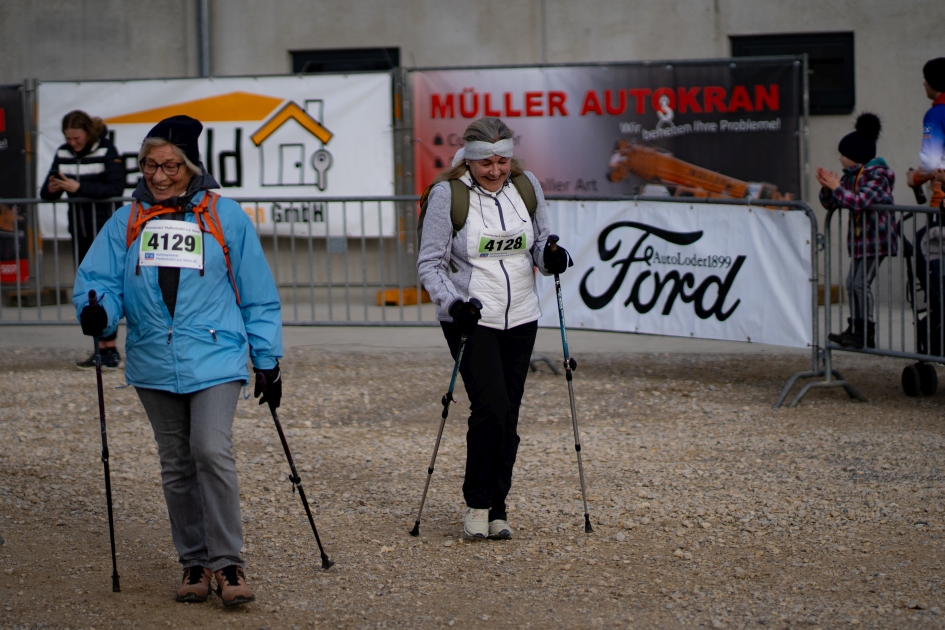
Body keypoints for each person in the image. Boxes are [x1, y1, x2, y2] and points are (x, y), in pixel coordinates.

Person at [73, 115, 283, 606]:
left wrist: (267, 358)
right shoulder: (126, 221)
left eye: (170, 165)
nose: (159, 175)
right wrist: (96, 311)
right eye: (150, 165)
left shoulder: (225, 215)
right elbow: (97, 279)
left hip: (215, 354)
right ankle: (194, 561)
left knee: (210, 450)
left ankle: (229, 563)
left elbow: (258, 295)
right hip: (151, 359)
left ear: (191, 166)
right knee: (176, 464)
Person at [417, 117, 572, 539]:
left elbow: (539, 243)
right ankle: (477, 504)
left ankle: (498, 507)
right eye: (486, 163)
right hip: (472, 317)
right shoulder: (447, 195)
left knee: (510, 414)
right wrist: (454, 303)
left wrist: (551, 255)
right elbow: (429, 264)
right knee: (491, 407)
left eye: (503, 161)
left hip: (522, 314)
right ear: (469, 159)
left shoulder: (527, 186)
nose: (495, 170)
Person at [41, 110, 126, 368]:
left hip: (105, 230)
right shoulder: (63, 153)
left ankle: (110, 348)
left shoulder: (107, 151)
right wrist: (53, 189)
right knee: (88, 290)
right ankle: (100, 348)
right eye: (69, 138)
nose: (73, 142)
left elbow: (115, 187)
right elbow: (46, 191)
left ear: (87, 132)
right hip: (79, 230)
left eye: (76, 137)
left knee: (106, 287)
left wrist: (80, 189)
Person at [818, 112, 898, 349]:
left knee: (860, 283)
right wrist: (827, 189)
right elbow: (833, 203)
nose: (841, 158)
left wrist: (836, 188)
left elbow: (858, 201)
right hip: (861, 242)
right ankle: (854, 328)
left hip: (878, 241)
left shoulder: (877, 176)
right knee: (851, 282)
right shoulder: (850, 177)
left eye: (844, 154)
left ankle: (865, 332)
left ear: (856, 155)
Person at [907, 58, 945, 210]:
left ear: (932, 82)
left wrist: (914, 179)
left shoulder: (935, 115)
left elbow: (930, 162)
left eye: (925, 79)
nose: (923, 84)